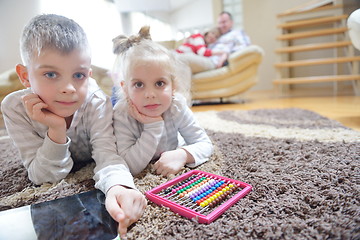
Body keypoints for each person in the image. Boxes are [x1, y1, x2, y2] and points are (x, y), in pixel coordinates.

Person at [0, 14, 146, 239]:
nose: (68, 88)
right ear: (25, 76)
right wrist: (56, 131)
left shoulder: (96, 100)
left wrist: (119, 186)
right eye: (50, 74)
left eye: (78, 75)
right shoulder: (14, 108)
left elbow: (107, 154)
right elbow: (41, 176)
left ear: (88, 74)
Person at [111, 26, 213, 177]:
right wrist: (153, 126)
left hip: (175, 146)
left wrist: (182, 154)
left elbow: (205, 144)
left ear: (173, 86)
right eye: (139, 84)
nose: (150, 94)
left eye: (159, 83)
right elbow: (129, 166)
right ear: (125, 89)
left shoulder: (176, 104)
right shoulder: (122, 113)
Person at [178, 11, 251, 74]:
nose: (221, 25)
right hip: (202, 58)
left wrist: (226, 55)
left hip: (212, 61)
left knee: (181, 59)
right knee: (181, 63)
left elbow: (244, 47)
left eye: (224, 22)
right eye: (219, 23)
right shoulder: (217, 35)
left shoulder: (237, 33)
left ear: (231, 22)